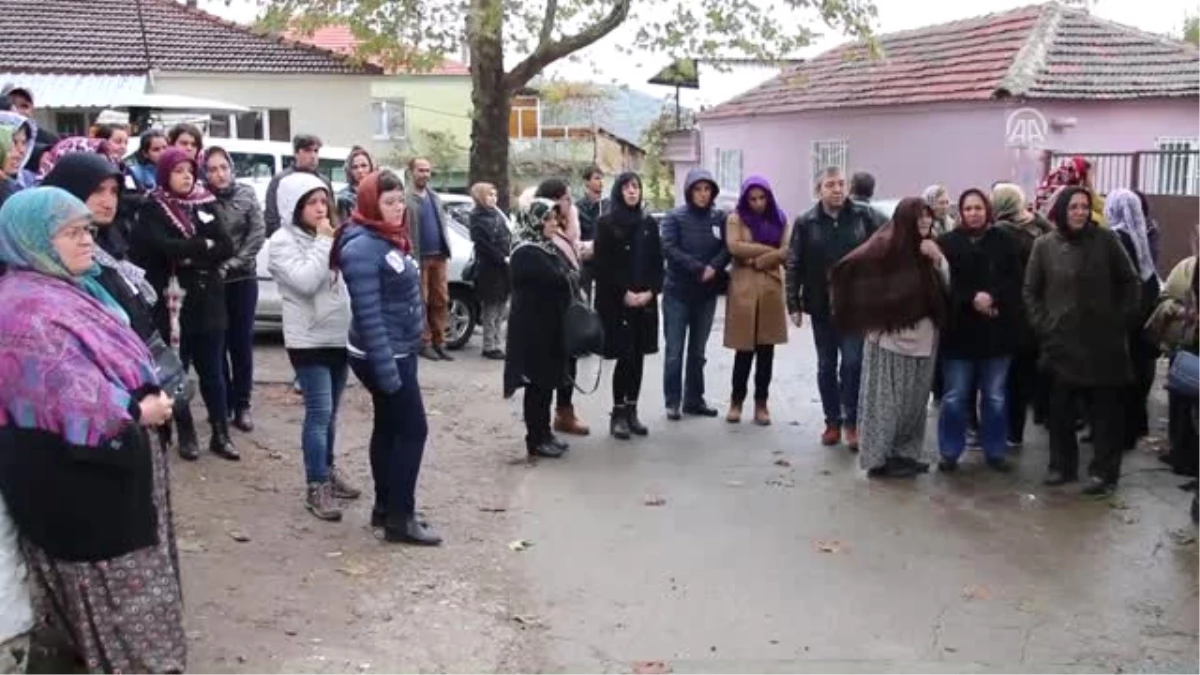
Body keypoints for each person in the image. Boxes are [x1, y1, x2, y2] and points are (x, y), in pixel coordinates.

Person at [0, 187, 186, 674]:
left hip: (114, 484)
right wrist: (138, 409)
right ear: (32, 239)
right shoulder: (26, 311)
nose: (87, 241)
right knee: (122, 621)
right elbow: (65, 393)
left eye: (88, 230)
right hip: (86, 500)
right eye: (72, 232)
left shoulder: (71, 289)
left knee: (135, 609)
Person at [335, 169, 441, 545]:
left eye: (400, 201)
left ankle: (385, 507)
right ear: (370, 204)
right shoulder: (363, 247)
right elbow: (369, 315)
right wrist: (387, 371)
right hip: (384, 353)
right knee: (413, 430)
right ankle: (400, 518)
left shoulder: (385, 237)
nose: (398, 209)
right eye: (389, 202)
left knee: (389, 427)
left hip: (396, 349)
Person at [1025, 186, 1140, 497]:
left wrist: (1121, 320)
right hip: (1061, 344)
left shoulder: (1106, 240)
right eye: (1073, 207)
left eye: (1084, 207)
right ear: (1062, 210)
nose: (1079, 212)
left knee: (1105, 415)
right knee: (1059, 412)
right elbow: (1031, 292)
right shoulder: (1045, 245)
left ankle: (1104, 473)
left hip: (1104, 345)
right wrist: (1045, 327)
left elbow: (1131, 281)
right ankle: (1061, 466)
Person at [131, 147, 239, 462]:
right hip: (173, 306)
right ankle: (186, 432)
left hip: (209, 302)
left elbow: (226, 246)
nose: (186, 176)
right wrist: (200, 246)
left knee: (214, 372)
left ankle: (221, 433)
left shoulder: (205, 203)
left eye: (190, 170)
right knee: (178, 371)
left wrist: (192, 252)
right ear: (165, 174)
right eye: (178, 171)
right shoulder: (154, 208)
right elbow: (164, 248)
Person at [831, 197, 949, 478]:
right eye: (918, 216)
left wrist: (939, 260)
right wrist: (870, 314)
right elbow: (848, 270)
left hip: (923, 339)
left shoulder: (930, 249)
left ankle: (905, 455)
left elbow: (947, 289)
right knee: (886, 404)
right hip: (889, 341)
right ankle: (879, 458)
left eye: (928, 216)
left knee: (914, 405)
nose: (924, 221)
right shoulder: (884, 247)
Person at [269, 171, 360, 522]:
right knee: (319, 413)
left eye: (324, 201)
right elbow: (305, 282)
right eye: (312, 203)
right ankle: (316, 484)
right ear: (295, 206)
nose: (321, 209)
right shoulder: (281, 242)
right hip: (307, 340)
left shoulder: (329, 236)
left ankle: (328, 467)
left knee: (332, 413)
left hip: (339, 336)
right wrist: (325, 242)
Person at [786, 166, 879, 450]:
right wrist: (793, 302)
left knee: (853, 364)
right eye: (830, 185)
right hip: (821, 305)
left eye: (841, 184)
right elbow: (793, 263)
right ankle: (832, 422)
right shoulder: (806, 222)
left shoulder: (864, 217)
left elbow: (882, 252)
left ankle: (852, 422)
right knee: (826, 366)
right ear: (819, 190)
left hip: (855, 305)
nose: (837, 189)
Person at [936, 188, 1022, 473]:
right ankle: (950, 452)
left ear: (988, 210)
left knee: (995, 397)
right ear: (961, 212)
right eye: (968, 208)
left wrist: (993, 298)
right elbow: (945, 284)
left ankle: (995, 451)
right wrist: (972, 298)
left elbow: (1015, 280)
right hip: (958, 334)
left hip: (996, 333)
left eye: (978, 208)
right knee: (955, 397)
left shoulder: (1005, 241)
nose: (973, 213)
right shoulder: (947, 243)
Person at [504, 198, 577, 459]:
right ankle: (535, 438)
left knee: (547, 384)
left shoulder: (545, 248)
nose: (553, 223)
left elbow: (566, 274)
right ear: (534, 221)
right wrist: (567, 276)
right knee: (536, 386)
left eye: (554, 218)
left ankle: (545, 433)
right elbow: (557, 278)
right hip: (532, 330)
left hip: (549, 326)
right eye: (547, 219)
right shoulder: (525, 252)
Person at [593, 172, 663, 440]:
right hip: (618, 302)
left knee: (639, 357)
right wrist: (623, 294)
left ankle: (633, 411)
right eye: (627, 187)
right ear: (618, 192)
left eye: (636, 186)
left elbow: (658, 263)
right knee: (624, 357)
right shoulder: (607, 223)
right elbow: (603, 266)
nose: (632, 192)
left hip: (645, 301)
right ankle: (618, 413)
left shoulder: (648, 223)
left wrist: (651, 291)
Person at [659, 168, 729, 420]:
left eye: (707, 189)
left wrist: (715, 267)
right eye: (697, 189)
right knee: (675, 351)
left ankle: (694, 399)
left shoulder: (719, 217)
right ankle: (672, 401)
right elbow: (668, 248)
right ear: (689, 191)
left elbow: (727, 247)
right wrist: (699, 268)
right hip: (677, 293)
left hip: (706, 295)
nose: (702, 194)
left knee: (698, 352)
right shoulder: (674, 217)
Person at [206, 147, 266, 433]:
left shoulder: (246, 194)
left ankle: (243, 404)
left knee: (241, 344)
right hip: (213, 281)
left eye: (223, 167)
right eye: (213, 169)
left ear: (231, 168)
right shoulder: (200, 199)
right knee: (217, 345)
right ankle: (224, 402)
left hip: (242, 278)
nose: (219, 174)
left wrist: (233, 263)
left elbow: (257, 232)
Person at [724, 176, 791, 426]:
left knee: (766, 350)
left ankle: (761, 403)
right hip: (744, 289)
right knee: (744, 350)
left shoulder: (780, 218)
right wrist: (769, 252)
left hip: (771, 288)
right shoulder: (735, 218)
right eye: (752, 198)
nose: (758, 203)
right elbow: (734, 246)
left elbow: (787, 250)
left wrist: (758, 259)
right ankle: (736, 401)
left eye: (762, 198)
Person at [992, 183, 1052, 446]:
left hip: (1010, 311)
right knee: (1023, 375)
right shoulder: (1041, 229)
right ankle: (1016, 431)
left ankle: (1006, 432)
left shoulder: (1000, 232)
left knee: (1005, 378)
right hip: (1037, 310)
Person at [533, 178, 592, 436]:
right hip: (551, 311)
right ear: (555, 200)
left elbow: (573, 254)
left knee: (571, 360)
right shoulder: (540, 228)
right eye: (567, 198)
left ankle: (564, 411)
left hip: (571, 305)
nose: (571, 203)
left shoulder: (571, 224)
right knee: (549, 368)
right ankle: (541, 428)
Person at [1106, 188, 1162, 451]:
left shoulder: (1114, 239)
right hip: (1139, 325)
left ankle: (1115, 433)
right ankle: (1132, 430)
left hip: (1118, 325)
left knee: (1115, 382)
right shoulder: (1143, 242)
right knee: (1137, 378)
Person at [405, 157, 455, 362]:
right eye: (421, 170)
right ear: (411, 172)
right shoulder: (406, 198)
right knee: (422, 301)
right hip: (420, 257)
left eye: (427, 170)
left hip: (439, 256)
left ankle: (439, 341)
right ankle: (424, 342)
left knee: (441, 300)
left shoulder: (434, 197)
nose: (425, 174)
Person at [468, 182, 512, 360]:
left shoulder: (499, 214)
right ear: (480, 197)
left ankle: (496, 341)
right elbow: (483, 245)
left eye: (495, 194)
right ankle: (489, 345)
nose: (493, 198)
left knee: (501, 306)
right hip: (489, 268)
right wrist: (502, 257)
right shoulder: (477, 217)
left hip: (503, 267)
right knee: (491, 307)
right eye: (489, 194)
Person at [265, 134, 329, 237]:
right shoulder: (281, 180)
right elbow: (272, 217)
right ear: (296, 153)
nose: (313, 156)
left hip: (319, 239)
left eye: (316, 151)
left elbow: (331, 214)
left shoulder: (323, 181)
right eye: (308, 150)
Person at [0, 84, 58, 171]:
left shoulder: (50, 140)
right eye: (11, 105)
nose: (17, 111)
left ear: (32, 110)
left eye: (24, 106)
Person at [575, 164, 608, 300]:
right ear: (587, 182)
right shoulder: (577, 207)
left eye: (601, 178)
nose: (600, 182)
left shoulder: (608, 206)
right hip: (585, 260)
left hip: (604, 259)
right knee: (584, 298)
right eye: (596, 178)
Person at [337, 146, 374, 223]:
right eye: (355, 167)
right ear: (350, 170)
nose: (360, 171)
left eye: (364, 166)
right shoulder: (344, 197)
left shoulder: (380, 193)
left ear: (371, 167)